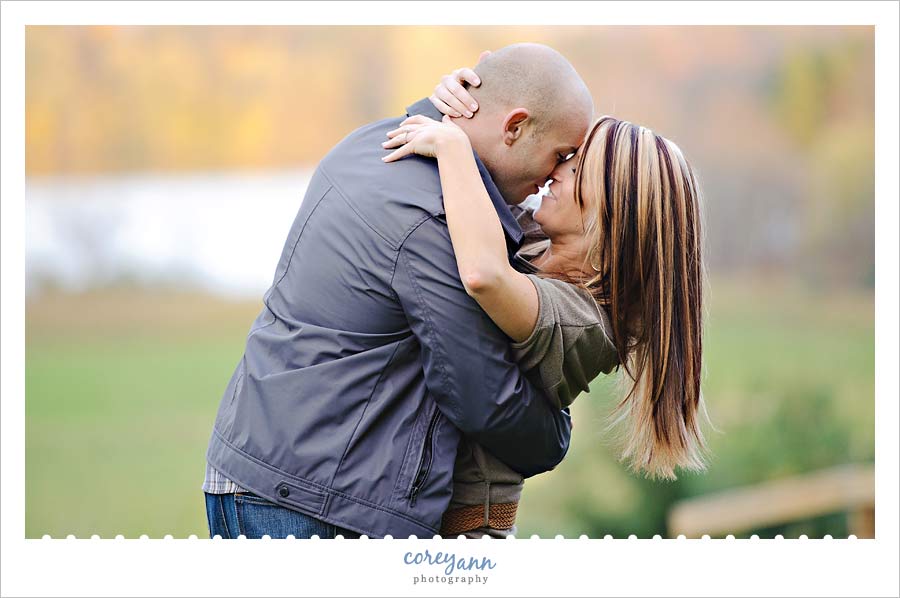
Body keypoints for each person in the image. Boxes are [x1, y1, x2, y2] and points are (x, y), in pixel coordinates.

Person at [202, 43, 594, 539]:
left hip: (263, 471)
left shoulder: (370, 141)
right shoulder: (432, 217)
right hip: (304, 502)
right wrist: (556, 434)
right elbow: (483, 396)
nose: (553, 176)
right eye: (559, 155)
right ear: (514, 127)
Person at [381, 65, 714, 538]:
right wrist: (470, 102)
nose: (554, 172)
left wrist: (453, 147)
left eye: (574, 167)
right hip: (415, 507)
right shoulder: (540, 245)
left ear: (613, 214)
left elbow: (484, 275)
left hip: (464, 534)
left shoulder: (586, 323)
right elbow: (485, 185)